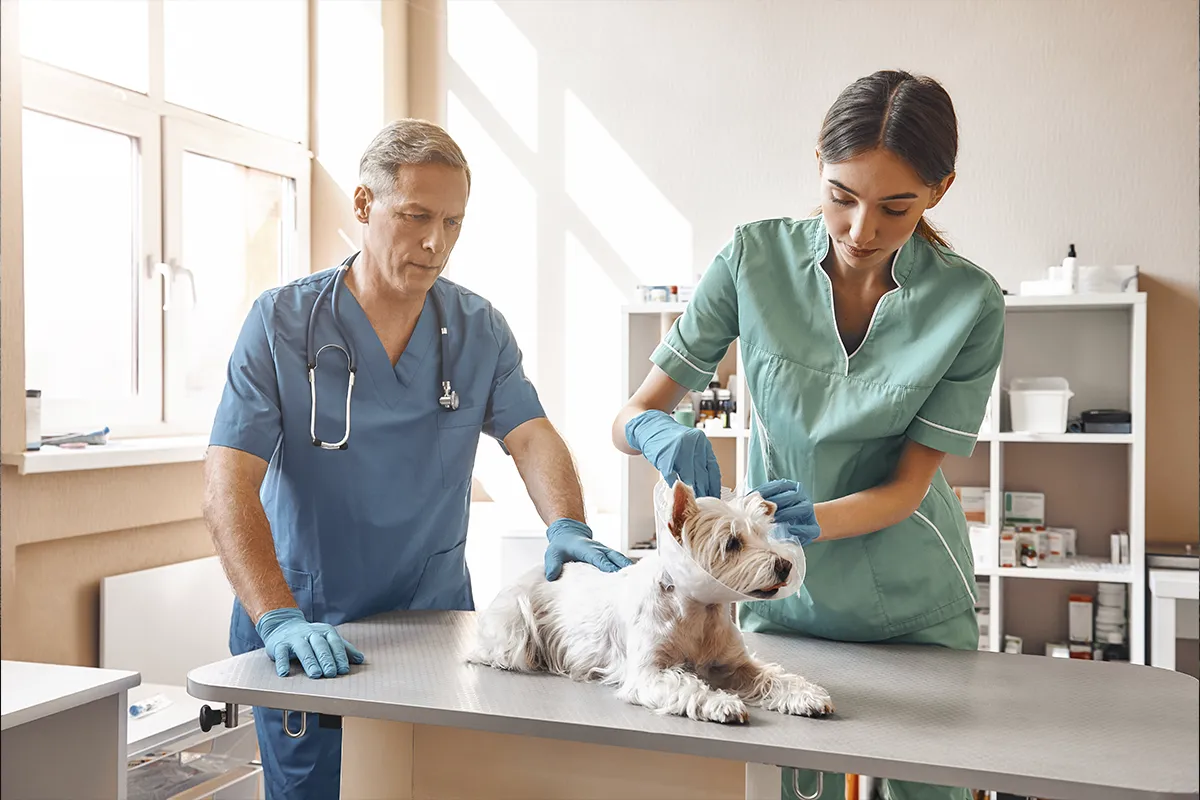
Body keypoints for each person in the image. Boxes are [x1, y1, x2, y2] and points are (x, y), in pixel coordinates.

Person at [202, 118, 631, 799]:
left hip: (432, 629)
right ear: (366, 205)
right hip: (310, 626)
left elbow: (531, 435)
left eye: (454, 222)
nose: (436, 243)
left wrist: (567, 525)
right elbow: (229, 483)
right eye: (417, 216)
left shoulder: (477, 328)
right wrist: (276, 615)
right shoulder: (282, 323)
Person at [613, 70, 1003, 800]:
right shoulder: (752, 260)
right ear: (817, 167)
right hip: (778, 602)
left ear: (939, 190)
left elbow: (908, 487)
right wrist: (654, 433)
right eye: (840, 196)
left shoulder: (968, 301)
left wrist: (804, 526)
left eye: (896, 207)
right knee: (785, 783)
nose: (862, 230)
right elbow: (629, 416)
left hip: (910, 601)